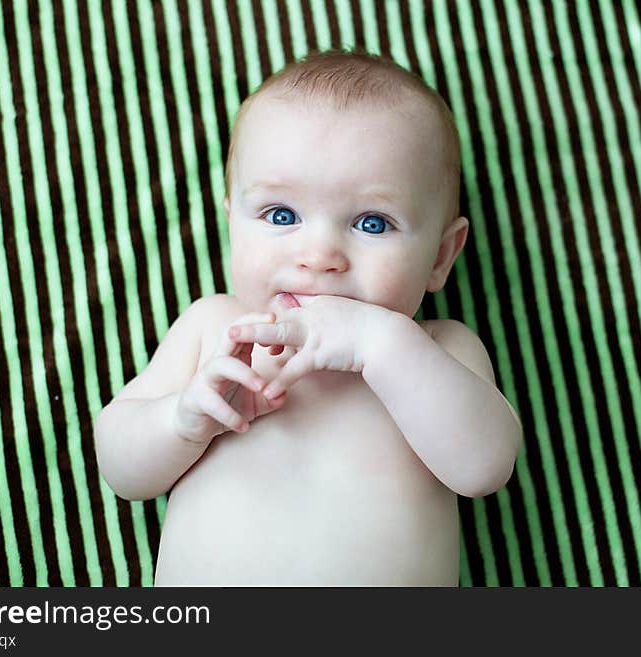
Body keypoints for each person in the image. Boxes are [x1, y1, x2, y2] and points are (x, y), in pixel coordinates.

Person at [94, 50, 523, 586]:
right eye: (281, 215)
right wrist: (181, 421)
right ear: (233, 226)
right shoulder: (216, 328)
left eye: (372, 223)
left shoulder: (436, 348)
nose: (319, 255)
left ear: (440, 256)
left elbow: (484, 467)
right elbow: (120, 466)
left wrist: (381, 343)